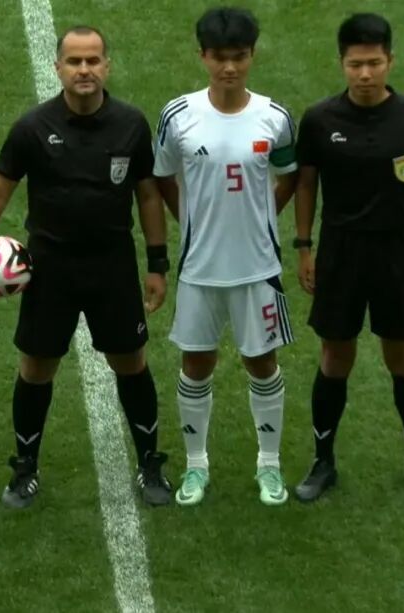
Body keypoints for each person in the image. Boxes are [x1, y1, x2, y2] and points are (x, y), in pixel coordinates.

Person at [0, 26, 172, 508]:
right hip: (49, 269)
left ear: (107, 66)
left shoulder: (131, 125)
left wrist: (157, 263)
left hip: (112, 266)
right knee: (36, 367)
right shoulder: (32, 128)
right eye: (74, 61)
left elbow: (148, 195)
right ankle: (25, 467)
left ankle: (150, 463)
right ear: (58, 68)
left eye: (93, 60)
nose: (84, 69)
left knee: (130, 362)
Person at [292, 13, 404, 505]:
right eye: (356, 64)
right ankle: (323, 461)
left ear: (390, 61)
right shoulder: (319, 120)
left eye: (374, 63)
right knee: (335, 355)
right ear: (341, 63)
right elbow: (306, 184)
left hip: (397, 253)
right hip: (340, 252)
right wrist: (303, 247)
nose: (365, 74)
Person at [153, 7, 298, 506]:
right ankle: (196, 467)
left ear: (252, 55)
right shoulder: (178, 115)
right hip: (200, 269)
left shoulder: (275, 117)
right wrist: (190, 221)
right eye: (219, 57)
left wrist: (262, 218)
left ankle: (269, 464)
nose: (229, 67)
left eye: (239, 56)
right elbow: (161, 177)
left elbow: (290, 176)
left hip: (259, 269)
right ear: (203, 56)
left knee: (263, 363)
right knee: (196, 364)